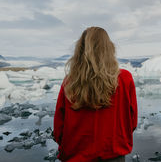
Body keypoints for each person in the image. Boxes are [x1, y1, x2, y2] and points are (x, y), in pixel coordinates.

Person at [53, 27, 138, 162]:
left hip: (76, 156)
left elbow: (59, 128)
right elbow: (132, 122)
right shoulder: (125, 79)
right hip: (113, 155)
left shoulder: (70, 82)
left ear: (80, 50)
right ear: (109, 49)